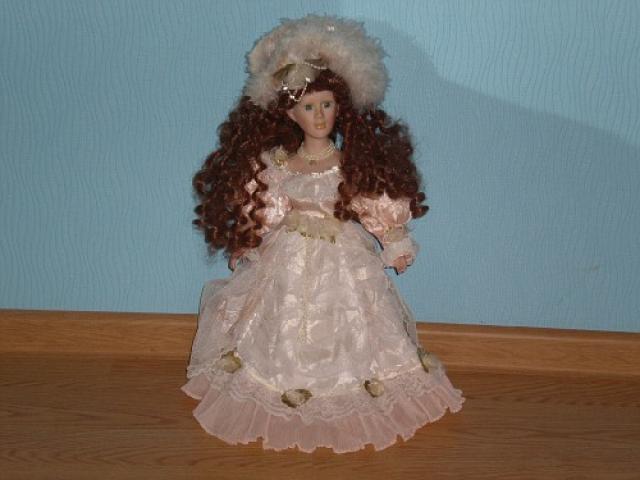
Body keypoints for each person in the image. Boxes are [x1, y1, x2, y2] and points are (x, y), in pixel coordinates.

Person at [182, 15, 463, 453]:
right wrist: (248, 240)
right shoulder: (280, 164)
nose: (319, 116)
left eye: (327, 105)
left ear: (340, 107)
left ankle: (351, 383)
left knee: (353, 319)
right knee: (281, 318)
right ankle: (285, 381)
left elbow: (373, 204)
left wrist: (395, 240)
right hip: (289, 257)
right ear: (289, 113)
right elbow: (269, 209)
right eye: (309, 107)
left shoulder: (349, 165)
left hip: (343, 255)